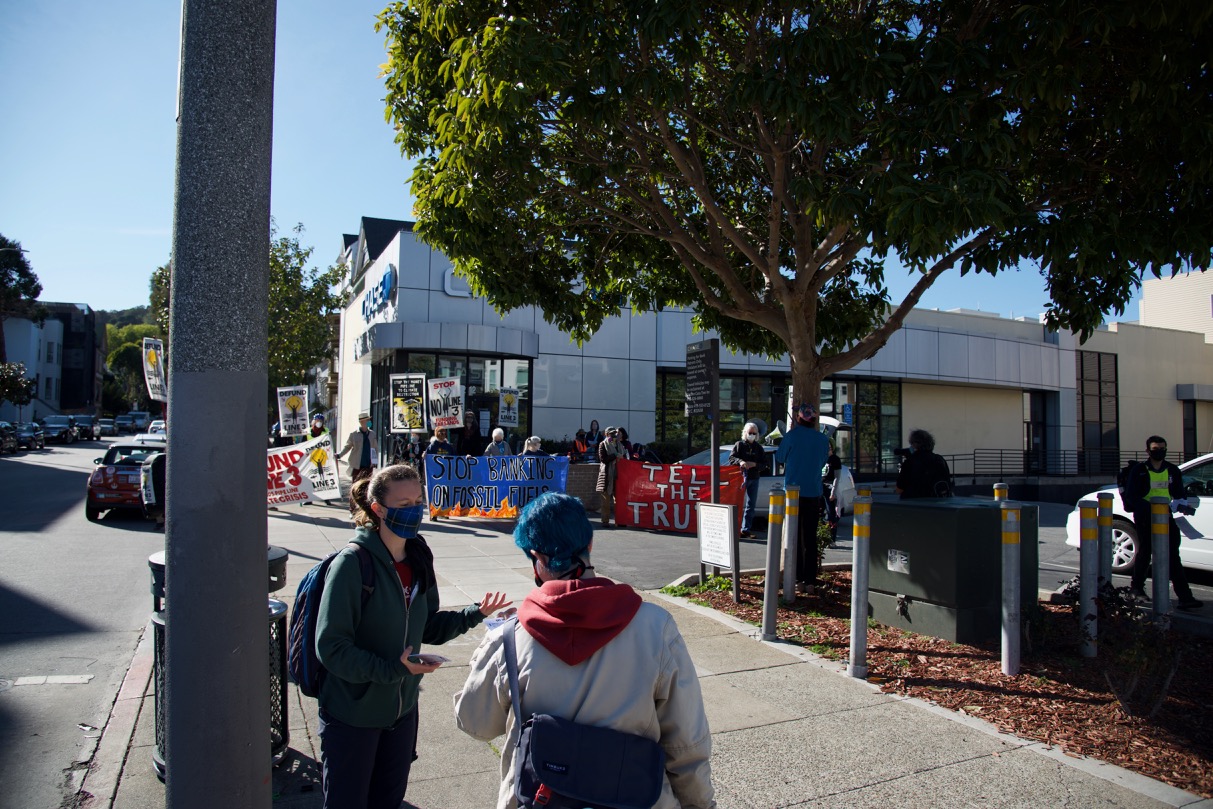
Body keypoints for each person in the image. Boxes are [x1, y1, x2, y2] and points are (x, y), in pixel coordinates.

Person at [453, 492, 716, 809]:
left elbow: (475, 723)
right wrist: (699, 804)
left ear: (537, 558)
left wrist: (490, 645)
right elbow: (687, 741)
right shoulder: (655, 627)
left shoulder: (511, 637)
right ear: (589, 546)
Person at [316, 464, 512, 808]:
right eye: (404, 503)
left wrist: (474, 614)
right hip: (353, 717)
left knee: (388, 801)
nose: (415, 509)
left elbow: (427, 627)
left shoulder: (418, 555)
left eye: (418, 500)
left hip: (401, 713)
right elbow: (331, 648)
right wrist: (394, 669)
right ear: (377, 509)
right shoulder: (351, 564)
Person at [1123, 435, 1202, 609]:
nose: (1159, 452)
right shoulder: (1140, 471)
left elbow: (1179, 492)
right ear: (1148, 451)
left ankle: (1185, 597)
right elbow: (1131, 496)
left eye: (1162, 449)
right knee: (1145, 552)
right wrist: (1151, 507)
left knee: (1173, 555)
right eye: (1155, 449)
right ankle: (1136, 589)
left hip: (1166, 517)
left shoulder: (1172, 470)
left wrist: (1181, 505)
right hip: (1145, 518)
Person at [774, 404, 830, 593]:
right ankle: (810, 581)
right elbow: (823, 462)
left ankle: (796, 578)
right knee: (810, 537)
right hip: (814, 492)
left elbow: (780, 457)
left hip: (793, 494)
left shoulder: (791, 436)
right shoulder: (823, 439)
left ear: (798, 418)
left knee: (794, 536)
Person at [728, 421, 767, 538]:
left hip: (754, 478)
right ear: (745, 433)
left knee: (751, 505)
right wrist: (741, 462)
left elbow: (764, 464)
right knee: (736, 504)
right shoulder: (739, 445)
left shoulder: (759, 448)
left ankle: (746, 529)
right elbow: (731, 458)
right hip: (740, 478)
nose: (752, 435)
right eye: (750, 433)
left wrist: (754, 464)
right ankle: (734, 527)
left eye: (754, 433)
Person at [894, 429, 952, 499]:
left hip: (913, 504)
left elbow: (899, 488)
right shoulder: (939, 459)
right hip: (937, 502)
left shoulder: (910, 462)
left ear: (915, 444)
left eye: (912, 443)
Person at [337, 412, 380, 499]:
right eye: (368, 420)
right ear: (362, 422)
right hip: (357, 465)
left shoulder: (372, 434)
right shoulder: (354, 434)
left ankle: (364, 506)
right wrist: (339, 455)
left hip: (368, 465)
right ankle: (353, 507)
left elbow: (375, 449)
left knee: (367, 486)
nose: (369, 422)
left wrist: (374, 461)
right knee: (355, 486)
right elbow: (347, 447)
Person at [596, 426, 627, 526]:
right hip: (606, 476)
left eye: (614, 433)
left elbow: (624, 458)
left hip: (617, 475)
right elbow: (603, 459)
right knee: (605, 500)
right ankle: (605, 521)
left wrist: (621, 456)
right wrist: (615, 455)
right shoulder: (602, 444)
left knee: (619, 500)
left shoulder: (620, 445)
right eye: (611, 434)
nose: (613, 435)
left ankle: (620, 520)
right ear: (606, 434)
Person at [821, 439, 842, 543]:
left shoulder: (835, 459)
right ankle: (821, 537)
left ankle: (831, 539)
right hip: (820, 487)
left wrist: (833, 492)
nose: (827, 448)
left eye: (829, 446)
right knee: (820, 514)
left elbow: (837, 477)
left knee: (831, 514)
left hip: (829, 488)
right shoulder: (822, 458)